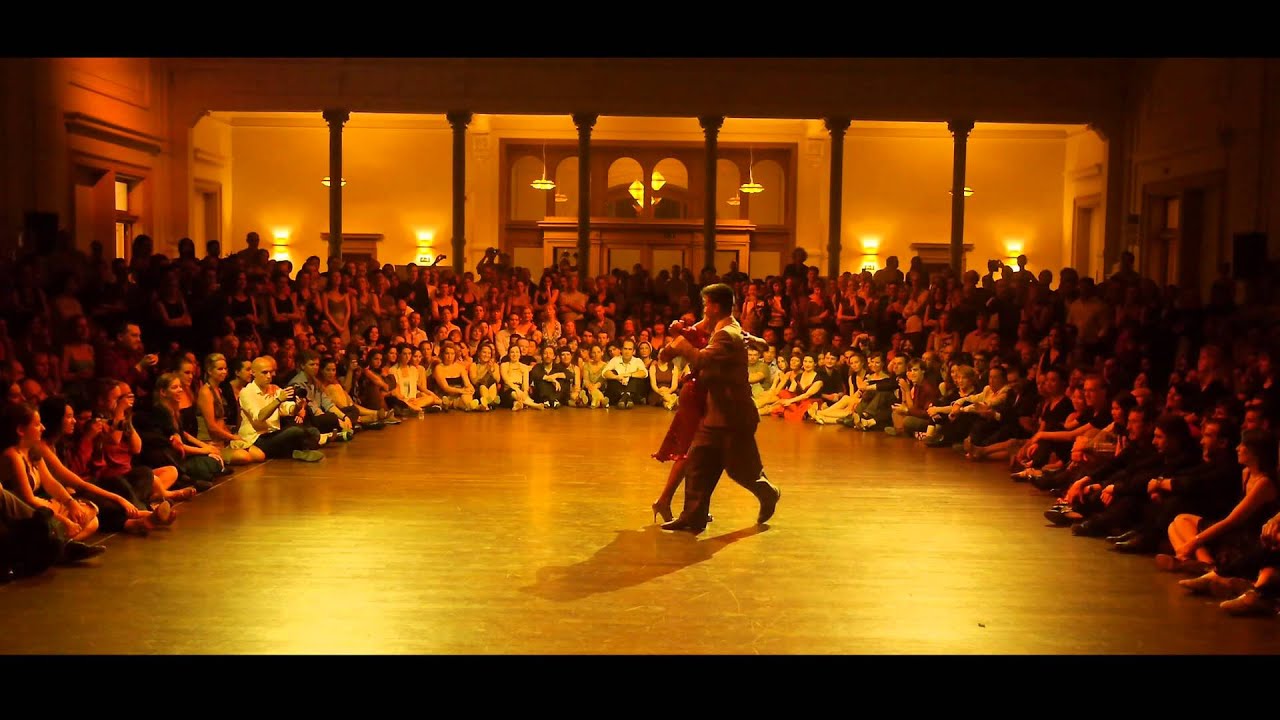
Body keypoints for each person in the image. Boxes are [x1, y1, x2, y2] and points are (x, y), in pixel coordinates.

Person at [657, 283, 781, 534]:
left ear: (714, 306)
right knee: (698, 463)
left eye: (705, 304)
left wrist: (682, 346)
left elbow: (702, 359)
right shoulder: (723, 328)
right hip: (716, 414)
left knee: (742, 471)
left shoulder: (726, 333)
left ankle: (768, 492)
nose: (703, 308)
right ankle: (693, 517)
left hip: (733, 416)